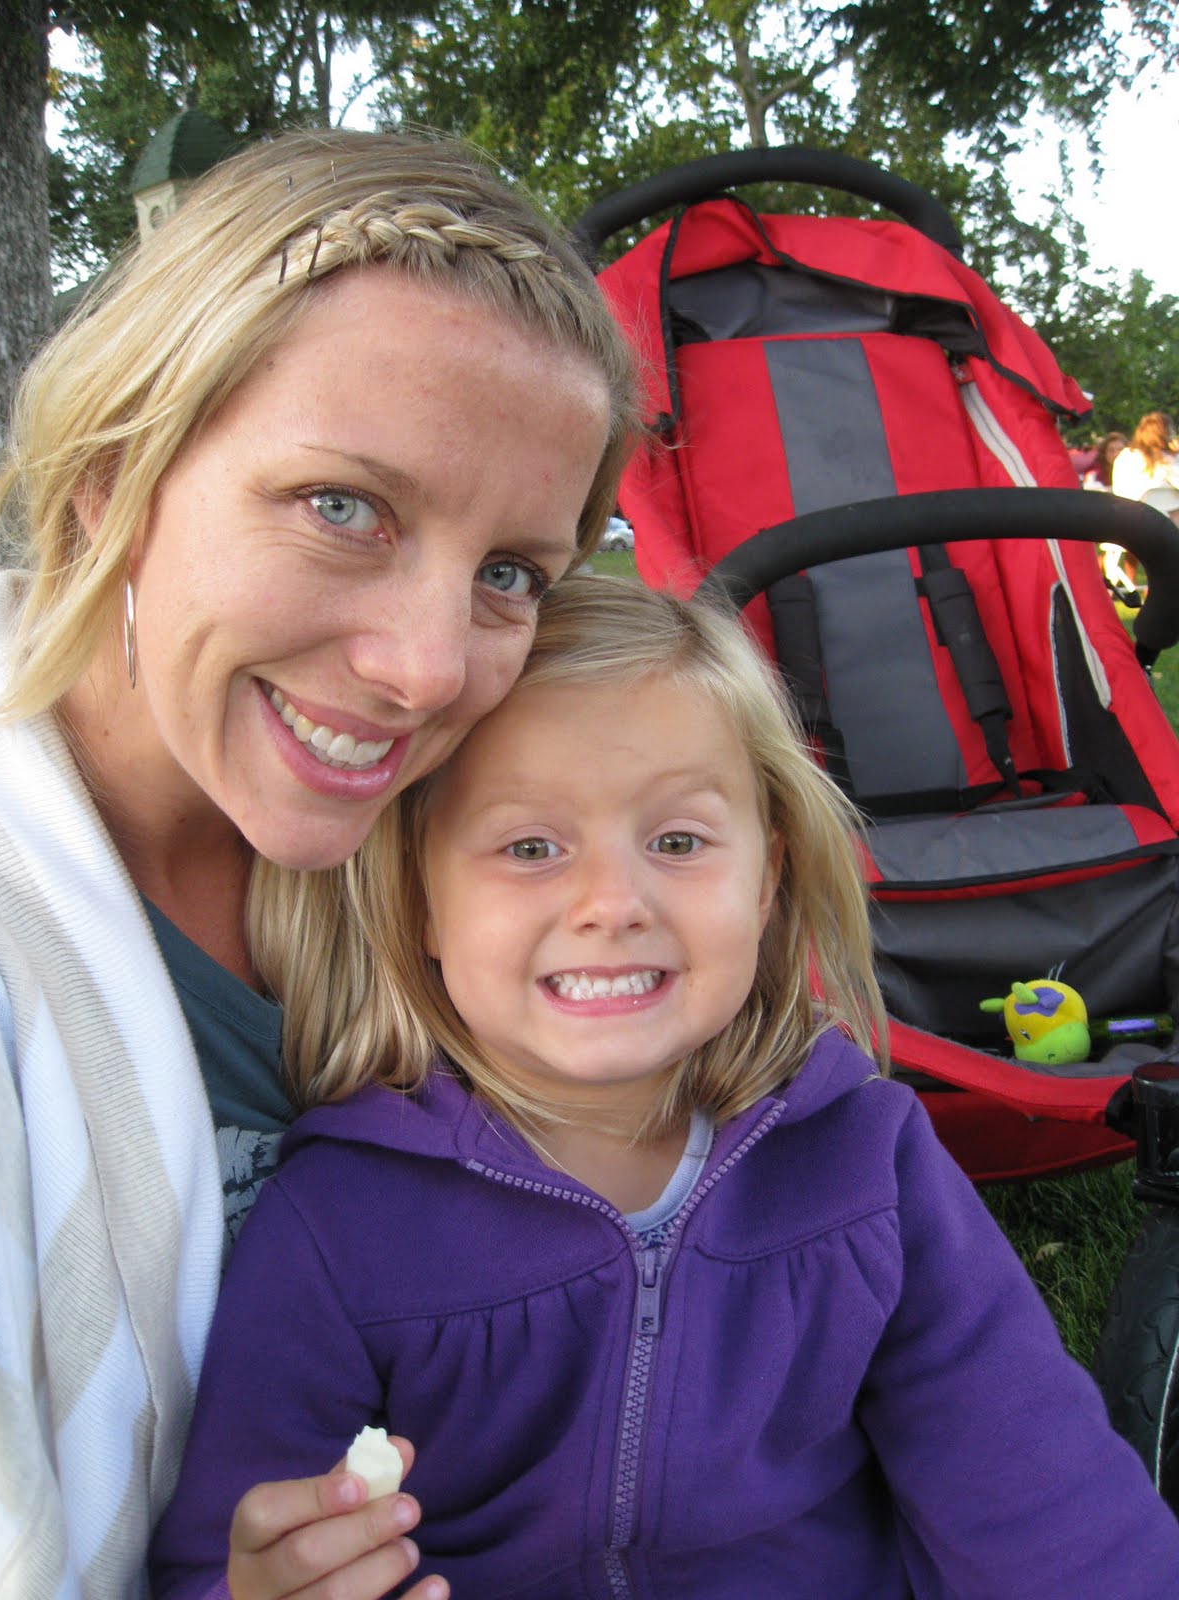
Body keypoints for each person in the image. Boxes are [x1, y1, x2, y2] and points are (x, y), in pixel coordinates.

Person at [151, 576, 1179, 1600]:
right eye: (531, 847)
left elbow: (1041, 1491)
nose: (613, 902)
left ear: (767, 878)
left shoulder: (866, 1160)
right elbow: (226, 1549)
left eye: (677, 842)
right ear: (420, 897)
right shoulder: (341, 1222)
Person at [0, 128, 637, 1600]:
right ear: (113, 476)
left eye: (510, 575)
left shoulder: (465, 862)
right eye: (344, 507)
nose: (428, 671)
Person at [1111, 410, 1179, 520]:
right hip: (1169, 518)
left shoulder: (1125, 456)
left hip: (1131, 516)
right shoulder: (1168, 457)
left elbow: (1118, 491)